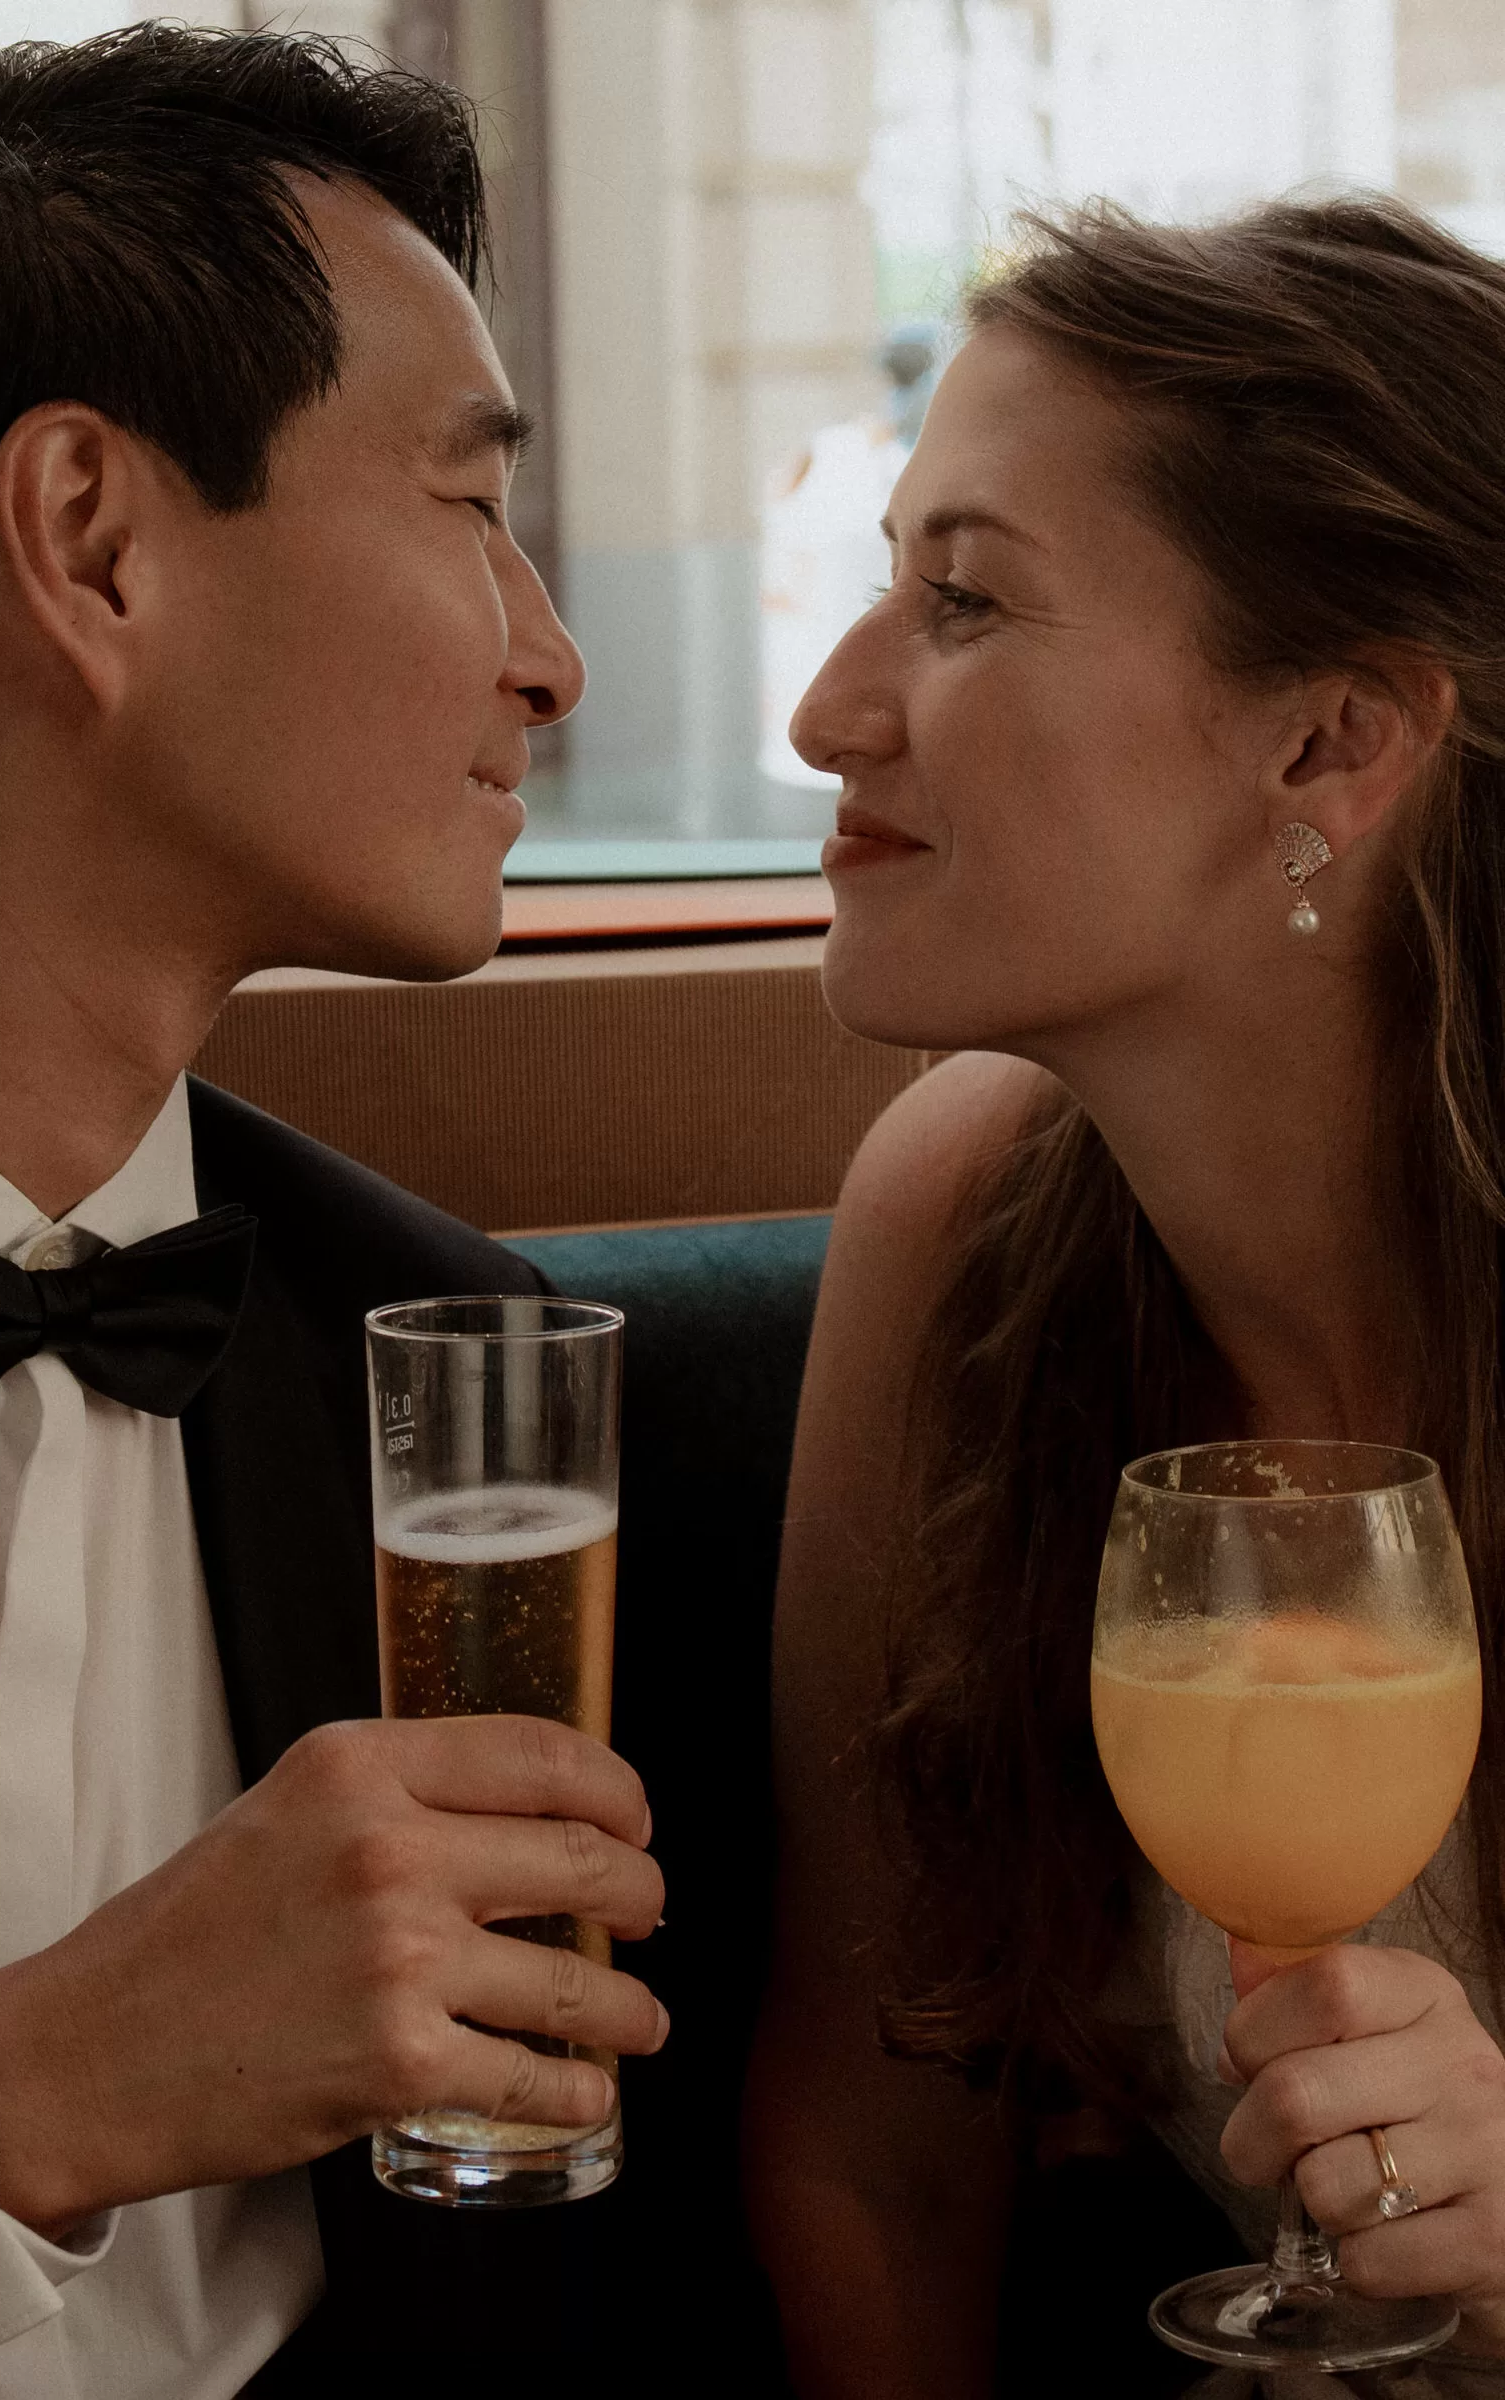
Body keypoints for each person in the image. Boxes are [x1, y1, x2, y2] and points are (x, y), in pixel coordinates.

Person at [0, 25, 670, 2397]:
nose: (547, 654)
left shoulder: (458, 1354)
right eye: (466, 506)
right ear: (93, 541)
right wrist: (21, 2102)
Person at [748, 195, 1505, 2395]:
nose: (821, 713)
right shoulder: (959, 1224)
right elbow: (868, 2157)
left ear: (1324, 750)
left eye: (961, 601)